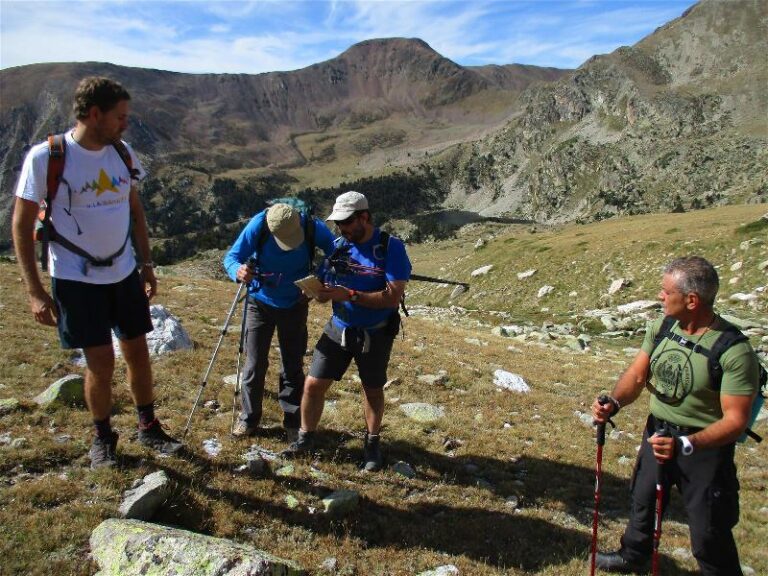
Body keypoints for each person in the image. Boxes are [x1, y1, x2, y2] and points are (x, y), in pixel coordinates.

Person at [12, 76, 182, 469]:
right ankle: (103, 438)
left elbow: (134, 210)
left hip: (122, 271)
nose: (126, 124)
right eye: (120, 117)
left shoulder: (122, 153)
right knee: (100, 361)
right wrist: (35, 292)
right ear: (94, 114)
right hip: (75, 277)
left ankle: (148, 425)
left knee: (138, 352)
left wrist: (146, 264)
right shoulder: (47, 157)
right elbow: (21, 226)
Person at [592, 256, 759, 576]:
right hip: (658, 432)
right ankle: (632, 554)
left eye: (666, 292)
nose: (660, 296)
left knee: (708, 527)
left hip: (703, 448)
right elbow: (638, 375)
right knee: (642, 500)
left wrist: (685, 444)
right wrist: (614, 402)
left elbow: (735, 420)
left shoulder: (733, 351)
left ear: (692, 300)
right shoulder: (663, 327)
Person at [282, 191, 411, 471]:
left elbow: (391, 298)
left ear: (364, 217)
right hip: (338, 328)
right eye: (338, 223)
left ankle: (372, 443)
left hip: (375, 332)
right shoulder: (338, 246)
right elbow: (326, 284)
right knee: (313, 384)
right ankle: (305, 437)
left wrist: (349, 294)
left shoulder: (391, 247)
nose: (341, 229)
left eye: (346, 222)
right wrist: (319, 293)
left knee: (373, 390)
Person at [223, 203, 336, 439]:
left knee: (292, 365)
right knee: (254, 364)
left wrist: (321, 276)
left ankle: (293, 422)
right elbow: (232, 257)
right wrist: (238, 271)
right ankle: (249, 419)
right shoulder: (258, 225)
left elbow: (336, 252)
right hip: (259, 302)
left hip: (295, 304)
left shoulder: (312, 227)